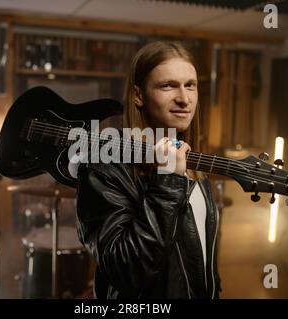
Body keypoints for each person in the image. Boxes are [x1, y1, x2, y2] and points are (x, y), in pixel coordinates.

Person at [76, 41, 221, 299]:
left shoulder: (192, 163)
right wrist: (168, 180)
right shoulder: (103, 167)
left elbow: (200, 259)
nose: (184, 98)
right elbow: (126, 269)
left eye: (190, 85)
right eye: (168, 86)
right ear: (138, 95)